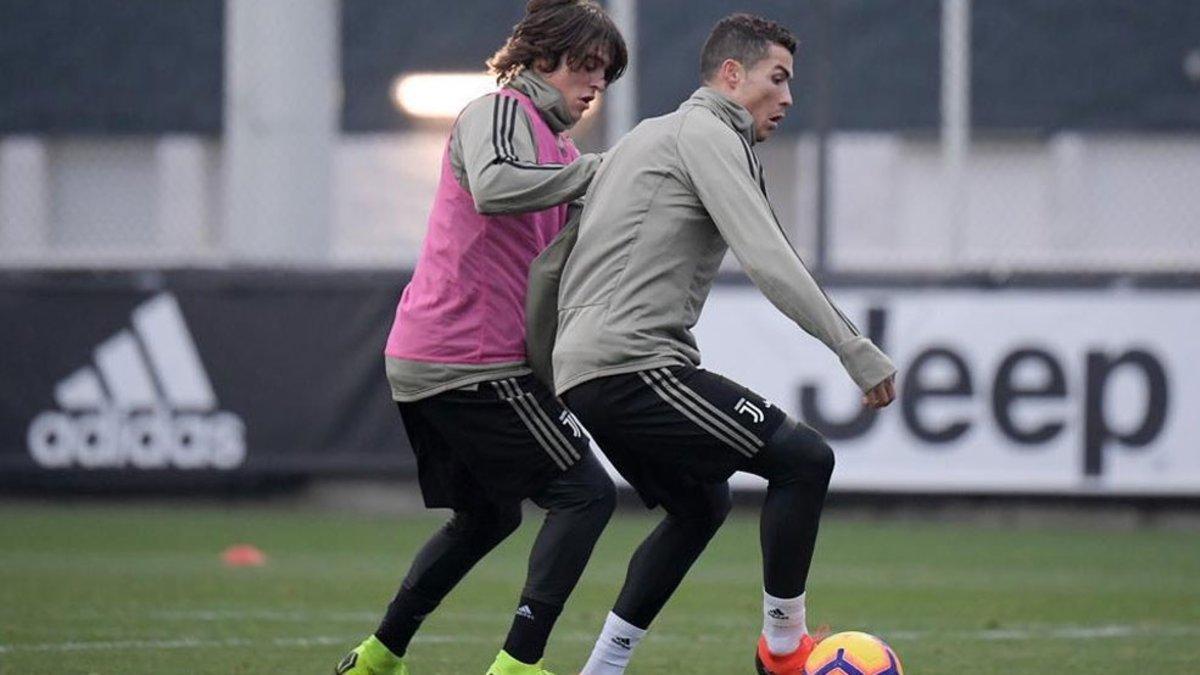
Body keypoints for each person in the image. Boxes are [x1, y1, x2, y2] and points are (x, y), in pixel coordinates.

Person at [543, 13, 896, 675]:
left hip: (586, 370)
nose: (788, 97)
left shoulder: (642, 138)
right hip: (633, 365)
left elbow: (553, 262)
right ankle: (783, 651)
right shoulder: (709, 132)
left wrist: (547, 366)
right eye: (778, 77)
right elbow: (768, 256)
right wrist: (852, 346)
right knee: (803, 459)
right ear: (732, 76)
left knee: (701, 503)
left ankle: (602, 669)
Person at [333, 2, 627, 674]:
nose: (594, 85)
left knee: (487, 516)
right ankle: (518, 666)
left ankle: (378, 657)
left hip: (435, 355)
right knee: (586, 494)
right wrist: (598, 175)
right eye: (584, 66)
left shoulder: (562, 150)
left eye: (604, 75)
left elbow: (562, 261)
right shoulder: (498, 110)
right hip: (468, 358)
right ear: (536, 59)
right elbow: (495, 188)